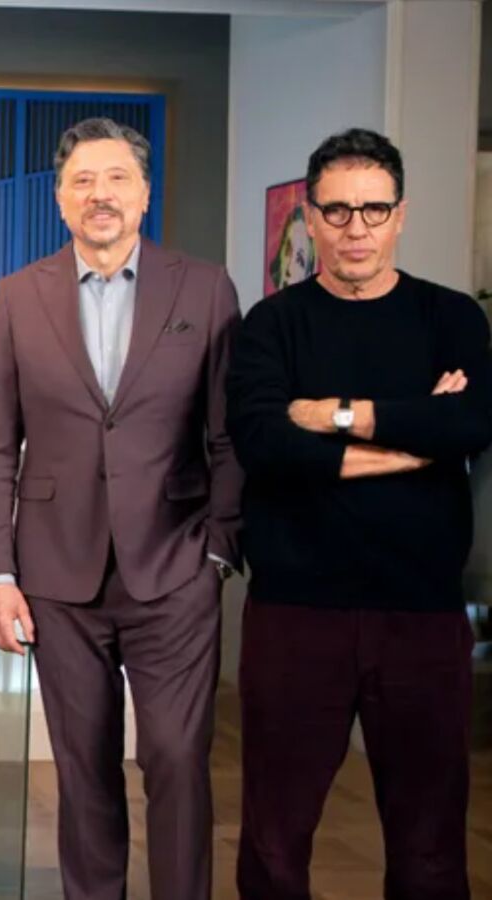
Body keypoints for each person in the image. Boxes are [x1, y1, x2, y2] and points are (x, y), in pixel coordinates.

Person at [0, 117, 243, 900]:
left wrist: (218, 549)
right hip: (58, 572)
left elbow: (228, 433)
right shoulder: (19, 295)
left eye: (117, 178)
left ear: (145, 193)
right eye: (83, 181)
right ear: (60, 199)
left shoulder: (205, 287)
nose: (101, 194)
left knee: (177, 760)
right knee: (83, 767)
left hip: (176, 564)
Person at [227, 128, 492, 900]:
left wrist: (334, 416)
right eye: (337, 211)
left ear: (400, 215)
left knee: (430, 845)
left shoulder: (450, 318)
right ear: (310, 219)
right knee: (275, 842)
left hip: (423, 613)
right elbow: (264, 441)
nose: (356, 228)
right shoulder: (272, 324)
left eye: (374, 209)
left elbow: (469, 424)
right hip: (295, 612)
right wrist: (412, 436)